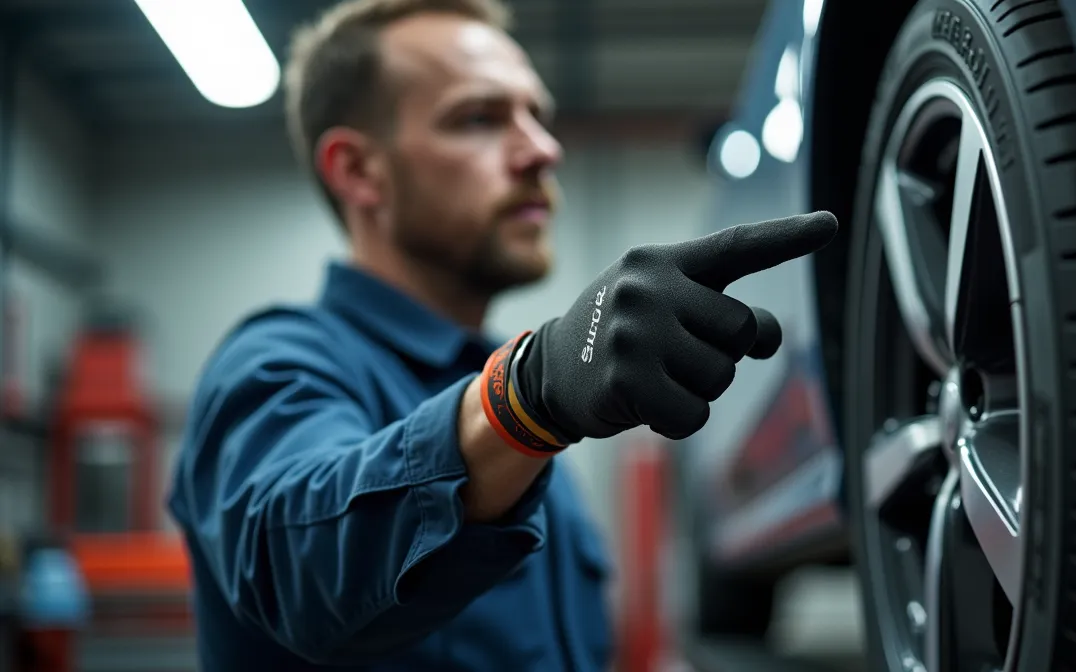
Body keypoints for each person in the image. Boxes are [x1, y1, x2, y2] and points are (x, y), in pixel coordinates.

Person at [164, 0, 838, 669]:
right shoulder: (277, 364)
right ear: (358, 171)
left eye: (537, 117)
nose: (543, 150)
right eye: (479, 119)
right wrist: (522, 398)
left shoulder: (522, 421)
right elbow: (296, 571)